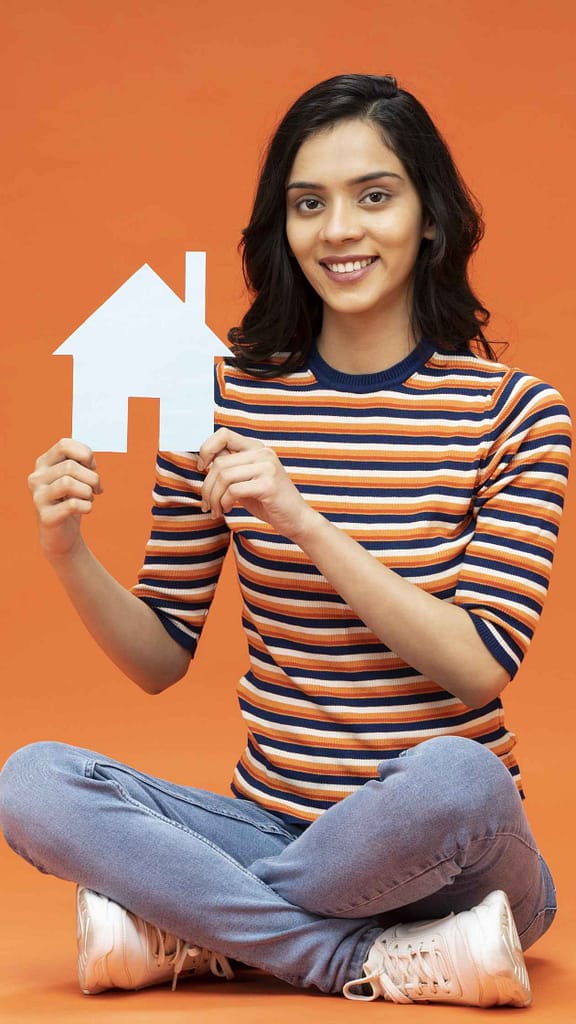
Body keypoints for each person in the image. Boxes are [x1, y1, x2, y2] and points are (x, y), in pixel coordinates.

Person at [0, 73, 571, 1008]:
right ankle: (360, 960)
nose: (339, 229)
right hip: (278, 831)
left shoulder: (514, 416)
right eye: (310, 204)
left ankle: (201, 926)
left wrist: (303, 519)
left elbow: (478, 668)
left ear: (430, 218)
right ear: (283, 225)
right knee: (32, 783)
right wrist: (67, 549)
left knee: (458, 777)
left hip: (457, 852)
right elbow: (159, 658)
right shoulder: (224, 399)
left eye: (374, 196)